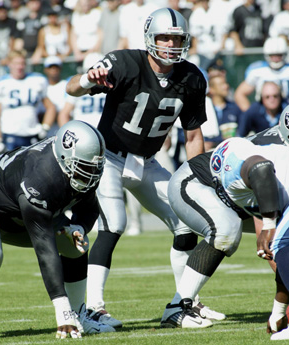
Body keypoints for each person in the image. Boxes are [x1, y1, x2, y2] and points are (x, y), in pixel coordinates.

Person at [65, 7, 223, 328]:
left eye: (176, 38)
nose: (170, 44)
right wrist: (86, 79)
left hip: (148, 162)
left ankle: (181, 304)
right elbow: (71, 88)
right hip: (107, 156)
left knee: (185, 224)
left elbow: (193, 135)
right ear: (150, 37)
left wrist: (197, 180)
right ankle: (93, 307)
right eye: (164, 36)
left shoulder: (192, 77)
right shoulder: (125, 62)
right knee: (115, 224)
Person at [162, 107, 289, 330]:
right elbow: (261, 172)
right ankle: (176, 308)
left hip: (240, 200)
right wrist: (269, 225)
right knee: (226, 231)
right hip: (196, 182)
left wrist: (279, 309)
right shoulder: (275, 156)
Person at [0, 120, 116, 338]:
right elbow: (44, 249)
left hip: (17, 214)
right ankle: (69, 314)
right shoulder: (40, 176)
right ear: (64, 158)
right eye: (84, 168)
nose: (90, 175)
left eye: (93, 168)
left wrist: (79, 228)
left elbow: (90, 210)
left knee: (74, 244)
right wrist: (61, 311)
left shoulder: (78, 166)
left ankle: (80, 315)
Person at [208, 134, 289, 340]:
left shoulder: (233, 167)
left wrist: (268, 225)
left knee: (279, 244)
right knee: (282, 248)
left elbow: (260, 167)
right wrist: (278, 311)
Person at [0, 50, 56, 154]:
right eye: (16, 63)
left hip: (33, 134)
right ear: (9, 64)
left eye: (22, 63)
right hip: (10, 135)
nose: (19, 67)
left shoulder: (36, 80)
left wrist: (45, 127)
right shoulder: (0, 84)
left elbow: (51, 107)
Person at [234, 36, 289, 112]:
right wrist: (251, 114)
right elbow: (240, 94)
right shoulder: (257, 70)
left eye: (279, 55)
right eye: (272, 56)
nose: (276, 59)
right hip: (263, 113)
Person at [205, 73, 241, 150]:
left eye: (225, 83)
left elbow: (242, 132)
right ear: (211, 89)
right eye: (221, 84)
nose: (226, 86)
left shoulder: (235, 108)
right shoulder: (204, 109)